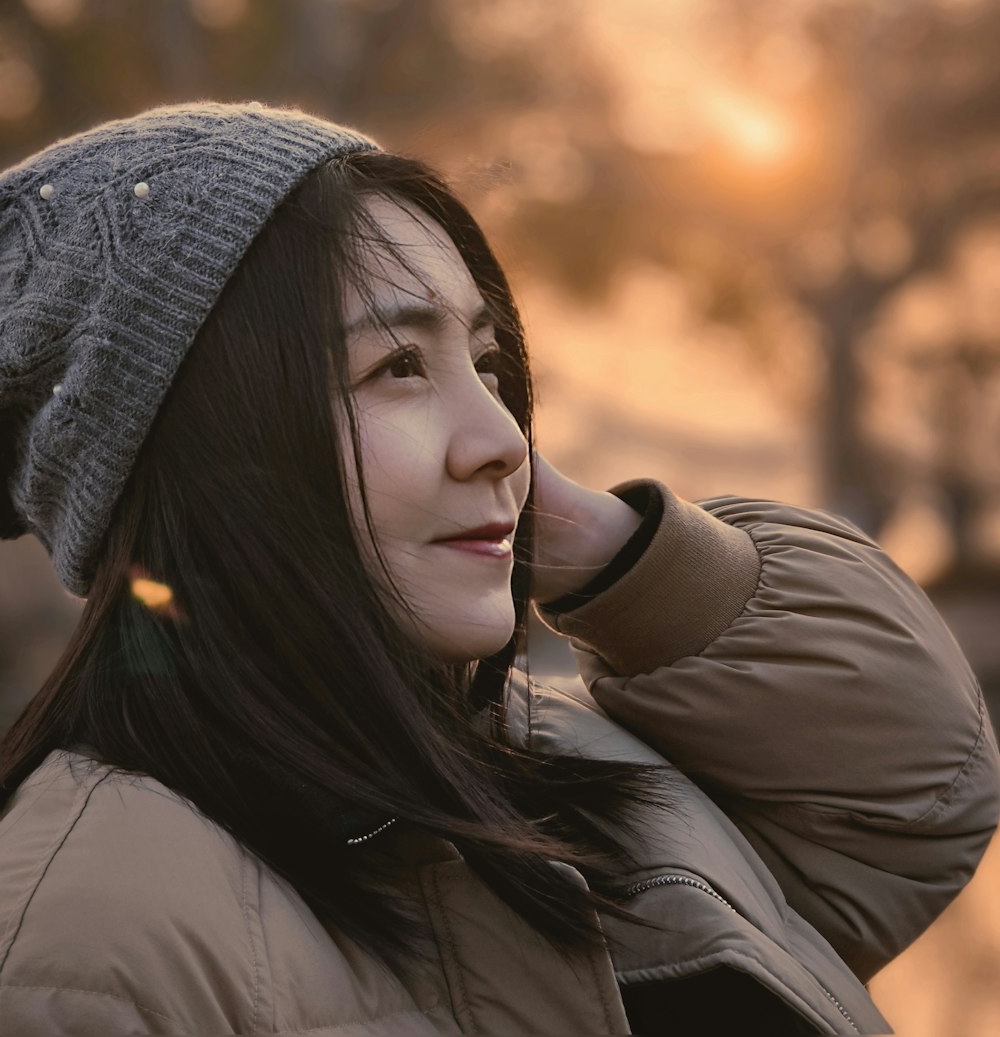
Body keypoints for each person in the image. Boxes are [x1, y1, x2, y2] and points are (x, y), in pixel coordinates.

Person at [0, 101, 995, 1037]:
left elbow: (910, 794)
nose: (503, 437)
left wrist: (601, 545)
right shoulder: (93, 932)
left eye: (485, 363)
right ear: (211, 449)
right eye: (397, 367)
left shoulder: (553, 762)